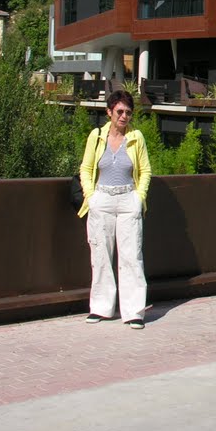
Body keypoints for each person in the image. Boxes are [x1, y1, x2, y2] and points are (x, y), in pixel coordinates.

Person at [78, 89, 152, 329]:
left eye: (128, 112)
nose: (124, 116)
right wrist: (91, 197)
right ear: (109, 112)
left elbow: (146, 170)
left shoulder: (136, 137)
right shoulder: (96, 136)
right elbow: (86, 169)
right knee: (100, 256)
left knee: (131, 256)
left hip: (127, 200)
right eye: (119, 111)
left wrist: (138, 198)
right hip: (102, 200)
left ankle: (133, 312)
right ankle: (101, 308)